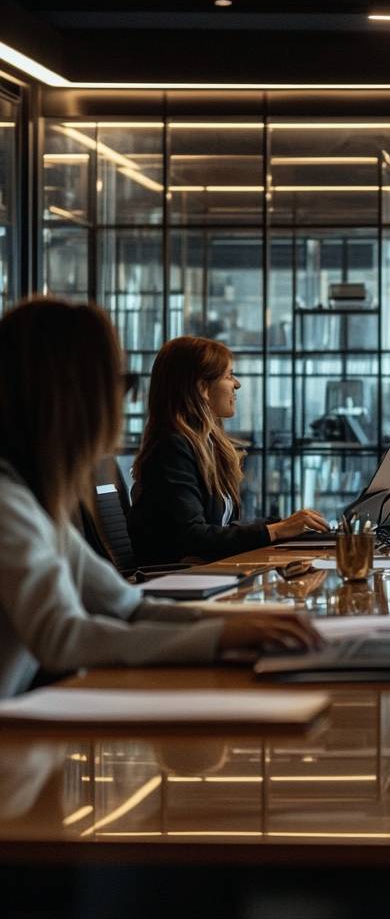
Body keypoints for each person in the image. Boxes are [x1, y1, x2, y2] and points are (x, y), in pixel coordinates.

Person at [0, 298, 321, 699]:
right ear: (71, 401)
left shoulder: (32, 504)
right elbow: (63, 638)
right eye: (114, 387)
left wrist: (238, 624)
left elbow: (129, 606)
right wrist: (217, 639)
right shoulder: (8, 505)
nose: (119, 406)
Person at [129, 336, 329, 565]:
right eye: (229, 375)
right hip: (180, 582)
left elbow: (222, 528)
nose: (237, 384)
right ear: (202, 388)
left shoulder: (205, 445)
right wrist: (276, 530)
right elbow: (192, 536)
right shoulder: (172, 447)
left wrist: (284, 524)